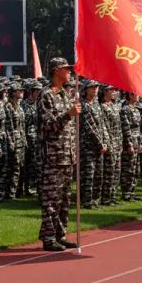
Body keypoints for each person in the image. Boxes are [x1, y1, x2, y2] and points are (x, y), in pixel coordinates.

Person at [37, 58, 80, 252]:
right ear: (56, 71)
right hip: (53, 157)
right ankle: (48, 237)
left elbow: (71, 129)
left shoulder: (65, 94)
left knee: (64, 200)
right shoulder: (46, 95)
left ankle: (60, 234)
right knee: (51, 200)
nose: (69, 72)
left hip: (67, 155)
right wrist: (68, 114)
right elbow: (47, 127)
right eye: (65, 69)